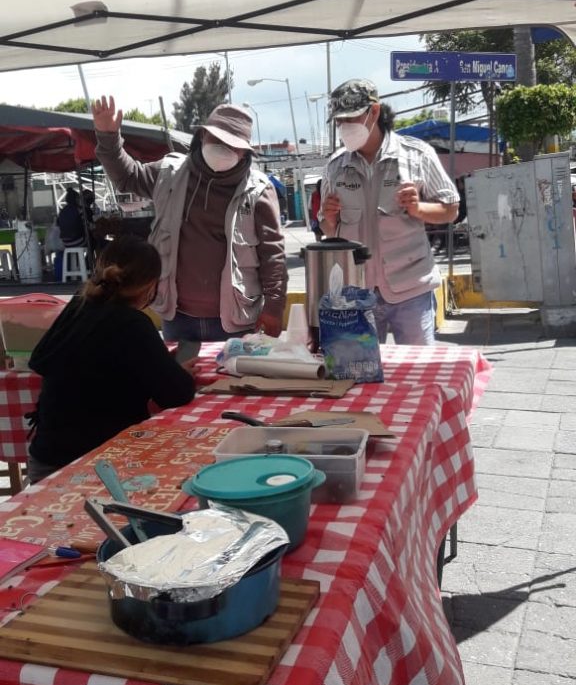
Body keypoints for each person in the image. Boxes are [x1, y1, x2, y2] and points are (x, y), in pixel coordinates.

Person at [92, 96, 287, 342]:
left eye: (232, 145)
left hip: (236, 322)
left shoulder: (259, 190)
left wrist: (274, 307)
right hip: (177, 317)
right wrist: (108, 138)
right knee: (178, 379)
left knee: (232, 381)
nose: (222, 148)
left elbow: (273, 256)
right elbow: (127, 177)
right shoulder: (169, 173)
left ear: (244, 151)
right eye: (216, 139)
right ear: (202, 137)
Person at [26, 237, 196, 482]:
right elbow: (177, 393)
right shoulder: (132, 323)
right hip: (99, 464)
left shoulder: (79, 305)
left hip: (46, 460)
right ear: (150, 286)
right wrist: (179, 372)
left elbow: (44, 359)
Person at [319, 79, 460, 345]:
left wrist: (419, 208)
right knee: (358, 377)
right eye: (339, 122)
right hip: (356, 292)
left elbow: (451, 208)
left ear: (374, 112)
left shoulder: (416, 155)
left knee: (418, 371)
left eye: (350, 118)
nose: (344, 127)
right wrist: (328, 219)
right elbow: (328, 230)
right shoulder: (335, 166)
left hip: (411, 290)